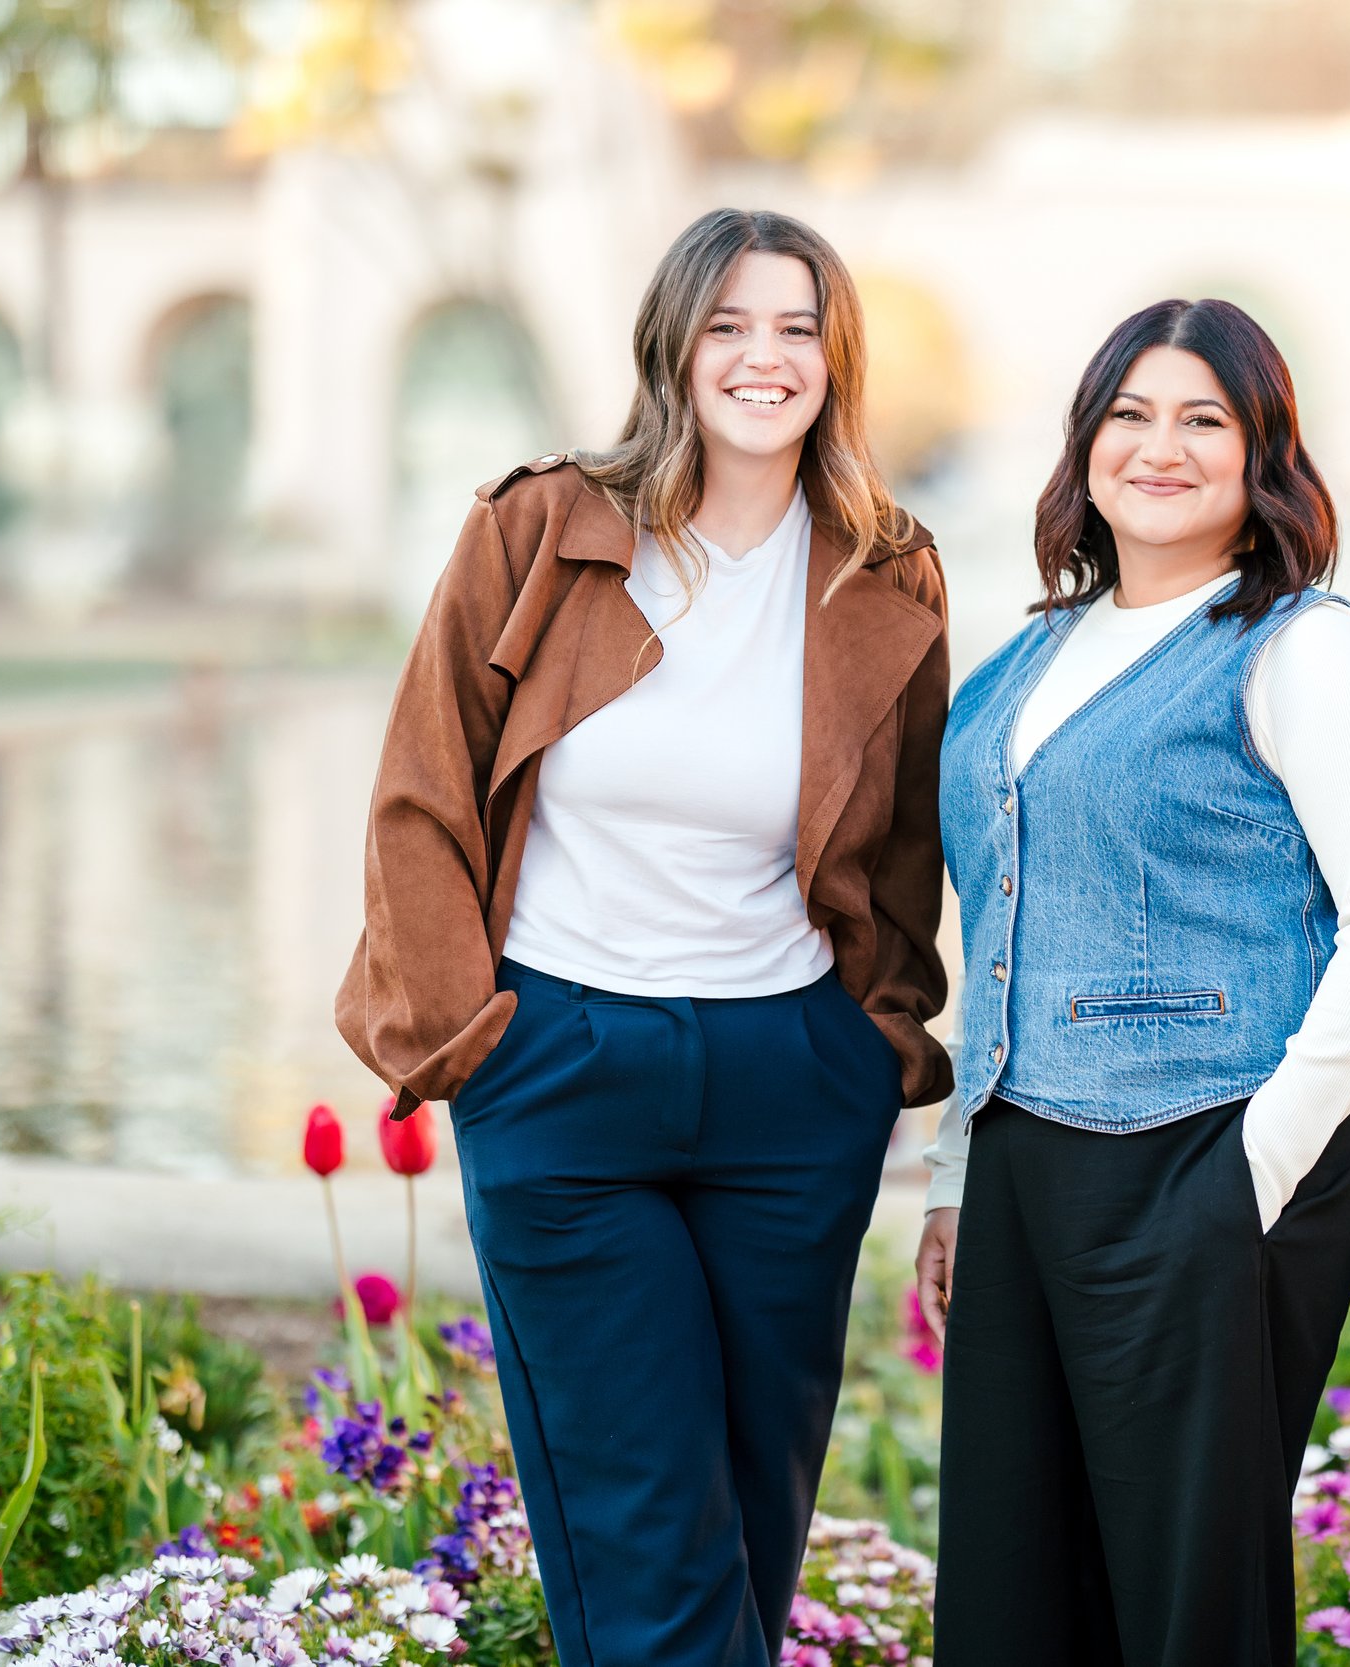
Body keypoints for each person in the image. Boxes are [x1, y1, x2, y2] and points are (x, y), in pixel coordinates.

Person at [335, 207, 951, 1667]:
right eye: (729, 324)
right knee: (646, 1546)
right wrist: (469, 1042)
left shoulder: (888, 570)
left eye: (798, 327)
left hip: (790, 1081)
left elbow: (913, 844)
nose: (764, 356)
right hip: (564, 1067)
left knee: (749, 1520)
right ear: (671, 345)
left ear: (836, 358)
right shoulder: (541, 529)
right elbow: (422, 797)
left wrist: (872, 1053)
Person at [912, 297, 1350, 1666]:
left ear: (1263, 456)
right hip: (1026, 1162)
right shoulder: (1032, 653)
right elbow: (995, 927)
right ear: (1086, 441)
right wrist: (956, 1176)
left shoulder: (1304, 647)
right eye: (1130, 414)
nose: (1160, 448)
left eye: (1204, 420)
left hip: (1207, 1158)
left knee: (1179, 1609)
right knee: (1012, 1587)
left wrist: (1248, 1177)